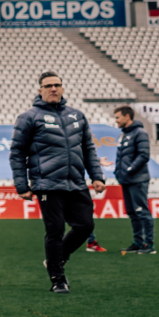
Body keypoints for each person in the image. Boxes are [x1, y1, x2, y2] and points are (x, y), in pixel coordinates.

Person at [10, 70, 105, 295]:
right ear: (40, 90)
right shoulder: (29, 117)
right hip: (47, 184)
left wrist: (97, 176)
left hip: (76, 182)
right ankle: (57, 279)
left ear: (62, 88)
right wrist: (22, 186)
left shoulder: (77, 116)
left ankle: (57, 258)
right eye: (49, 85)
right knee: (55, 230)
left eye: (57, 85)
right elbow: (17, 152)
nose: (54, 88)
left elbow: (88, 148)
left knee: (85, 226)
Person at [113, 105, 156, 254]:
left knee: (142, 212)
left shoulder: (140, 133)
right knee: (132, 212)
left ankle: (149, 245)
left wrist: (129, 169)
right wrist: (118, 173)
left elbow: (144, 155)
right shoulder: (123, 134)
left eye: (118, 117)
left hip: (137, 179)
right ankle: (138, 242)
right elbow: (121, 158)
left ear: (127, 116)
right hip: (126, 179)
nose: (116, 121)